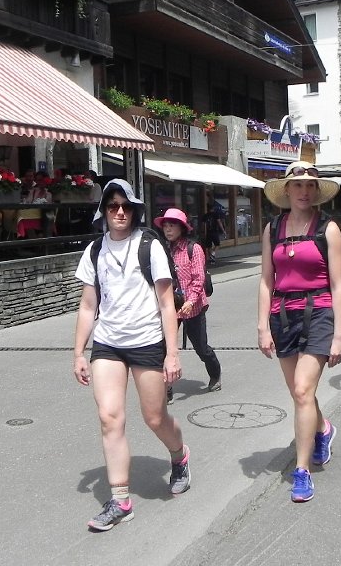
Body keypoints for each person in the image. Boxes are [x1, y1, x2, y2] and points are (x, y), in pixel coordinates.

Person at [73, 178, 191, 531]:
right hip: (108, 343)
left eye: (125, 206)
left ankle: (179, 455)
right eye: (113, 206)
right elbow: (87, 305)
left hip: (147, 341)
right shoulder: (95, 250)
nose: (120, 212)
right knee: (109, 418)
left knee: (155, 417)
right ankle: (121, 500)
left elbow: (167, 304)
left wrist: (172, 354)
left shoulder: (149, 246)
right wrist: (78, 353)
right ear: (104, 212)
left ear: (135, 210)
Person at [256, 161, 341, 503]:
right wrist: (262, 325)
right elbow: (266, 280)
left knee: (304, 389)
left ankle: (302, 470)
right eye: (298, 185)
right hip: (282, 316)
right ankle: (323, 428)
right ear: (287, 190)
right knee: (299, 393)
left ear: (316, 190)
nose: (304, 191)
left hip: (319, 313)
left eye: (310, 185)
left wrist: (339, 334)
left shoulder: (328, 229)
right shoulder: (273, 228)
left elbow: (337, 285)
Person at [154, 208, 222, 403]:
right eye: (165, 226)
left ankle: (215, 373)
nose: (168, 229)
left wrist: (191, 301)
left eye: (172, 225)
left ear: (182, 228)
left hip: (194, 307)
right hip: (171, 308)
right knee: (165, 348)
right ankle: (166, 389)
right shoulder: (162, 250)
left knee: (201, 348)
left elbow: (198, 279)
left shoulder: (194, 249)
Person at [203, 197, 226, 264]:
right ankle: (213, 254)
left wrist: (203, 232)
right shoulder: (215, 214)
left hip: (208, 232)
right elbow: (219, 222)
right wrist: (223, 230)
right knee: (217, 244)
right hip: (214, 231)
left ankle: (211, 257)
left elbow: (203, 224)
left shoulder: (206, 215)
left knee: (209, 246)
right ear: (212, 208)